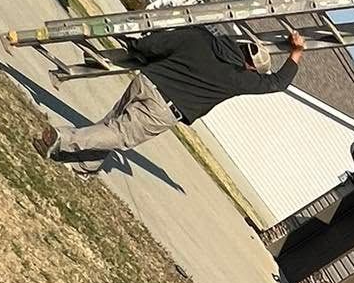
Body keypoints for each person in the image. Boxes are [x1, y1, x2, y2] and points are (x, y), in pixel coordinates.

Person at [33, 24, 306, 174]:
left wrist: (136, 47)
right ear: (251, 66)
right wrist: (296, 53)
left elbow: (156, 44)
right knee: (120, 135)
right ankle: (62, 139)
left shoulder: (201, 37)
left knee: (111, 124)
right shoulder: (239, 77)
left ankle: (87, 164)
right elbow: (277, 83)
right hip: (164, 108)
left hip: (145, 82)